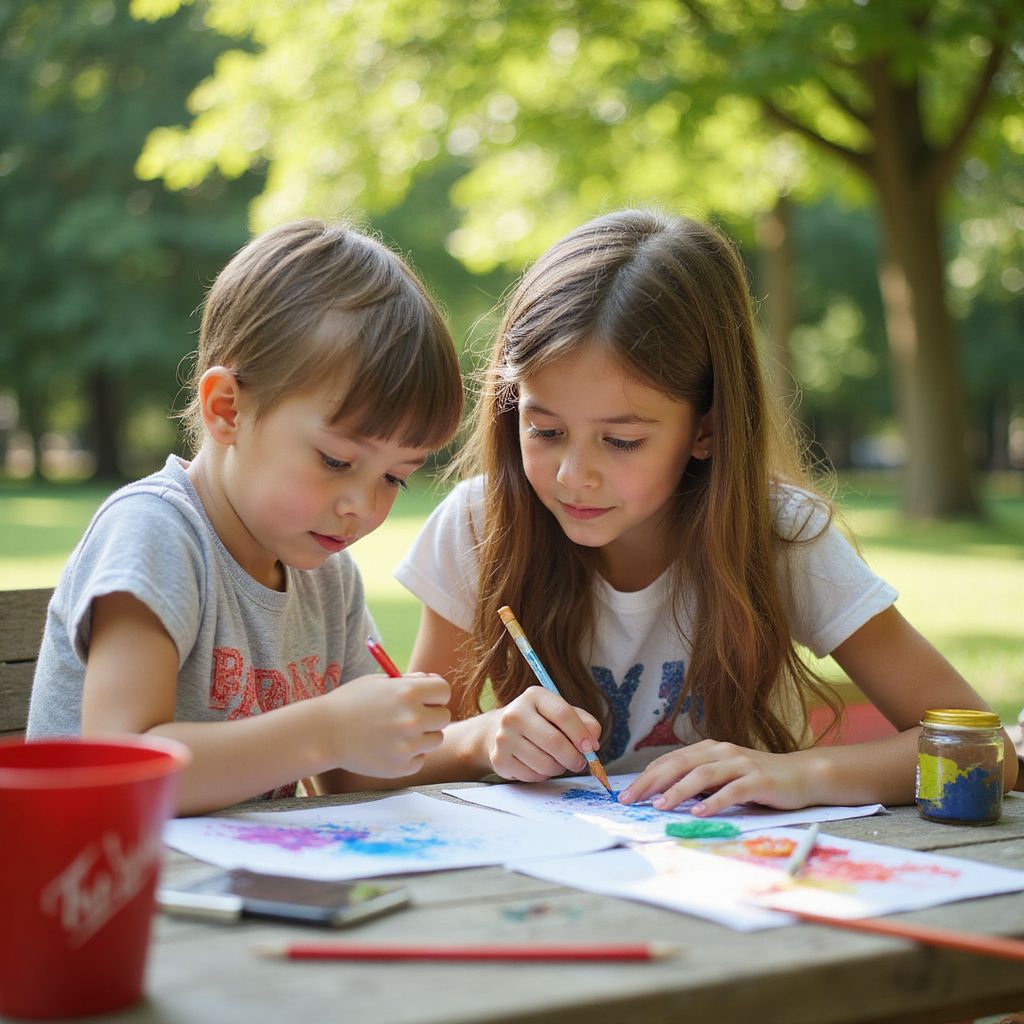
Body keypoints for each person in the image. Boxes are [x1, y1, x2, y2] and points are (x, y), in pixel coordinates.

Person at [394, 208, 1017, 812]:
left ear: (708, 428)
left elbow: (984, 751)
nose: (572, 475)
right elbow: (390, 759)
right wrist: (483, 738)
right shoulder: (481, 522)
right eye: (544, 429)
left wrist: (795, 774)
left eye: (622, 441)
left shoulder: (779, 537)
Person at [27, 220, 463, 815]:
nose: (362, 506)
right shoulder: (157, 533)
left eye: (395, 477)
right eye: (336, 460)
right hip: (97, 885)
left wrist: (482, 742)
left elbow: (347, 775)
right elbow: (124, 764)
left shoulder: (326, 576)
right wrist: (327, 731)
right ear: (227, 409)